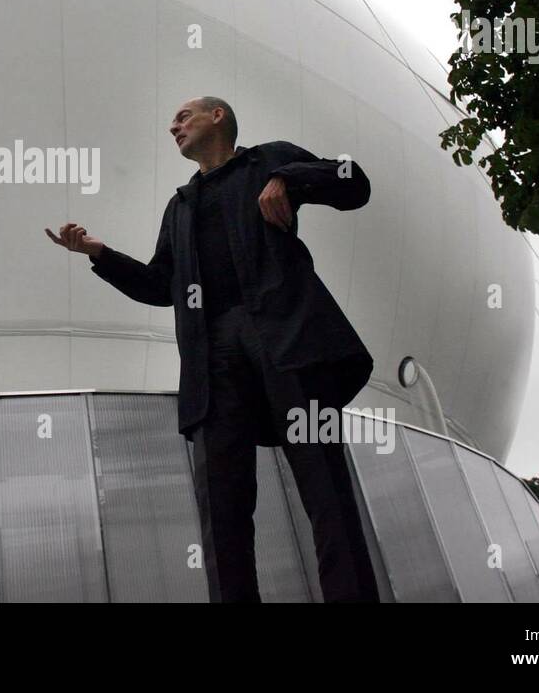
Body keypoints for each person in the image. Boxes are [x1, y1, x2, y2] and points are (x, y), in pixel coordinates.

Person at [45, 96, 380, 602]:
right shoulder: (180, 206)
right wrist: (100, 254)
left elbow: (353, 183)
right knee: (221, 505)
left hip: (286, 341)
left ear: (217, 117)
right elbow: (160, 285)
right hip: (212, 359)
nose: (172, 126)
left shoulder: (268, 160)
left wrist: (290, 177)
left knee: (325, 486)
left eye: (183, 117)